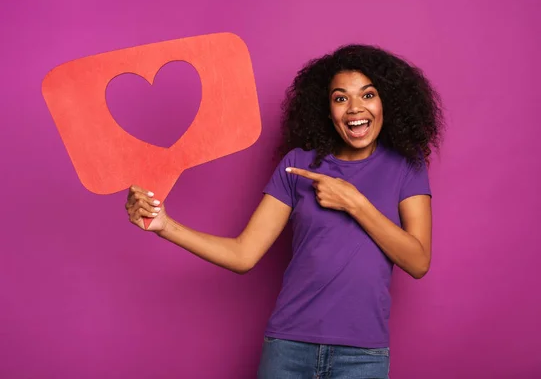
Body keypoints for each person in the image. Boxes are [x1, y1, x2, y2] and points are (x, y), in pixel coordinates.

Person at [125, 44, 444, 378]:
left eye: (367, 95)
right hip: (289, 347)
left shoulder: (406, 167)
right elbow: (243, 254)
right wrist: (164, 225)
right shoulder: (298, 165)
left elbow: (418, 261)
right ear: (327, 109)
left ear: (387, 102)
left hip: (362, 355)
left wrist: (355, 203)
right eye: (340, 98)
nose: (354, 109)